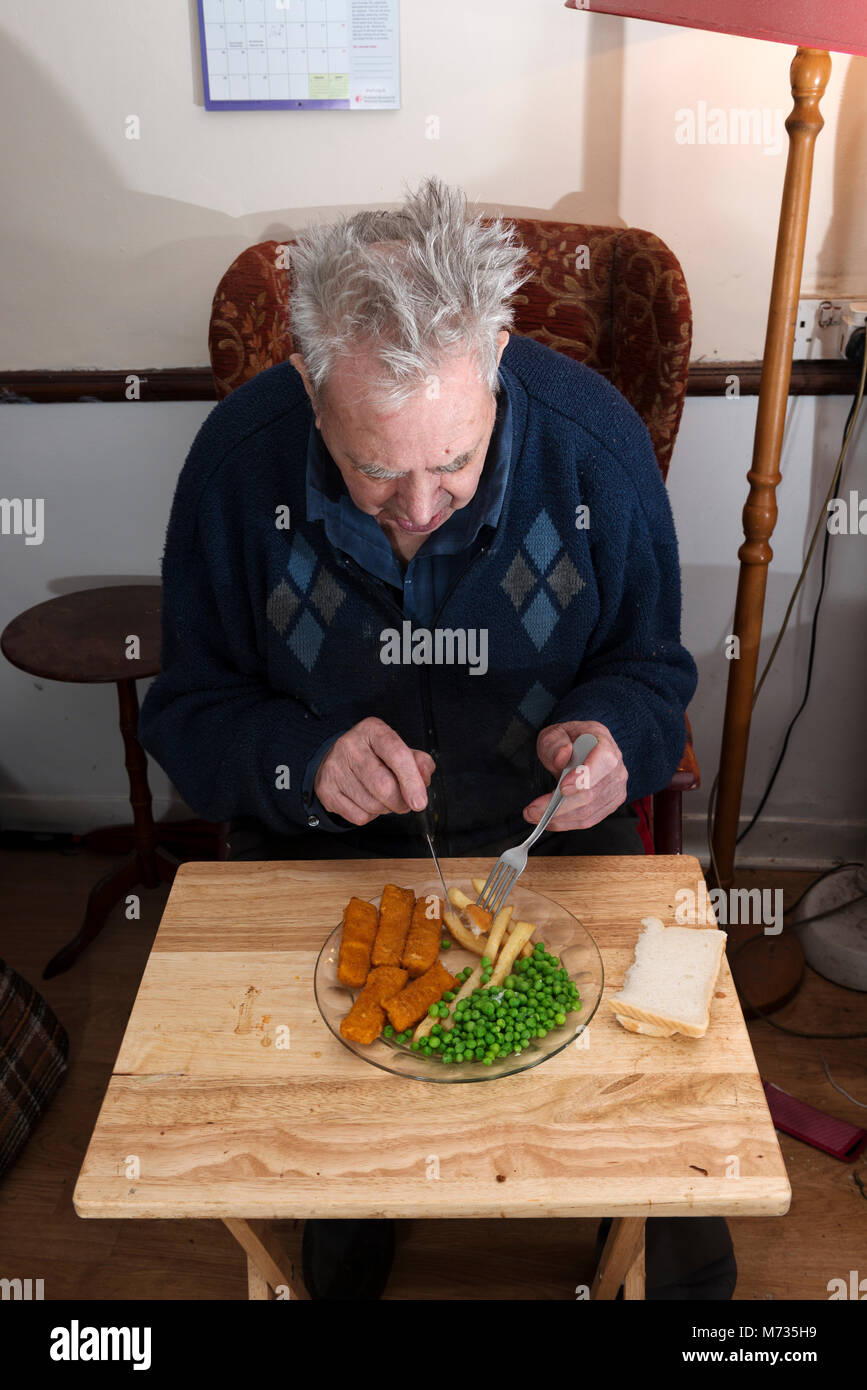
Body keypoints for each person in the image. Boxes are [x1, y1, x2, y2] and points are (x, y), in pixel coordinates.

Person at [139, 175, 734, 1299]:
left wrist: (610, 742)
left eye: (455, 464)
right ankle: (352, 1223)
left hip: (547, 834)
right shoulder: (234, 469)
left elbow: (655, 674)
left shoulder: (596, 448)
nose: (419, 509)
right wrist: (302, 761)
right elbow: (186, 715)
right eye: (376, 471)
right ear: (311, 389)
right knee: (326, 1158)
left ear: (499, 356)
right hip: (325, 851)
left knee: (674, 1176)